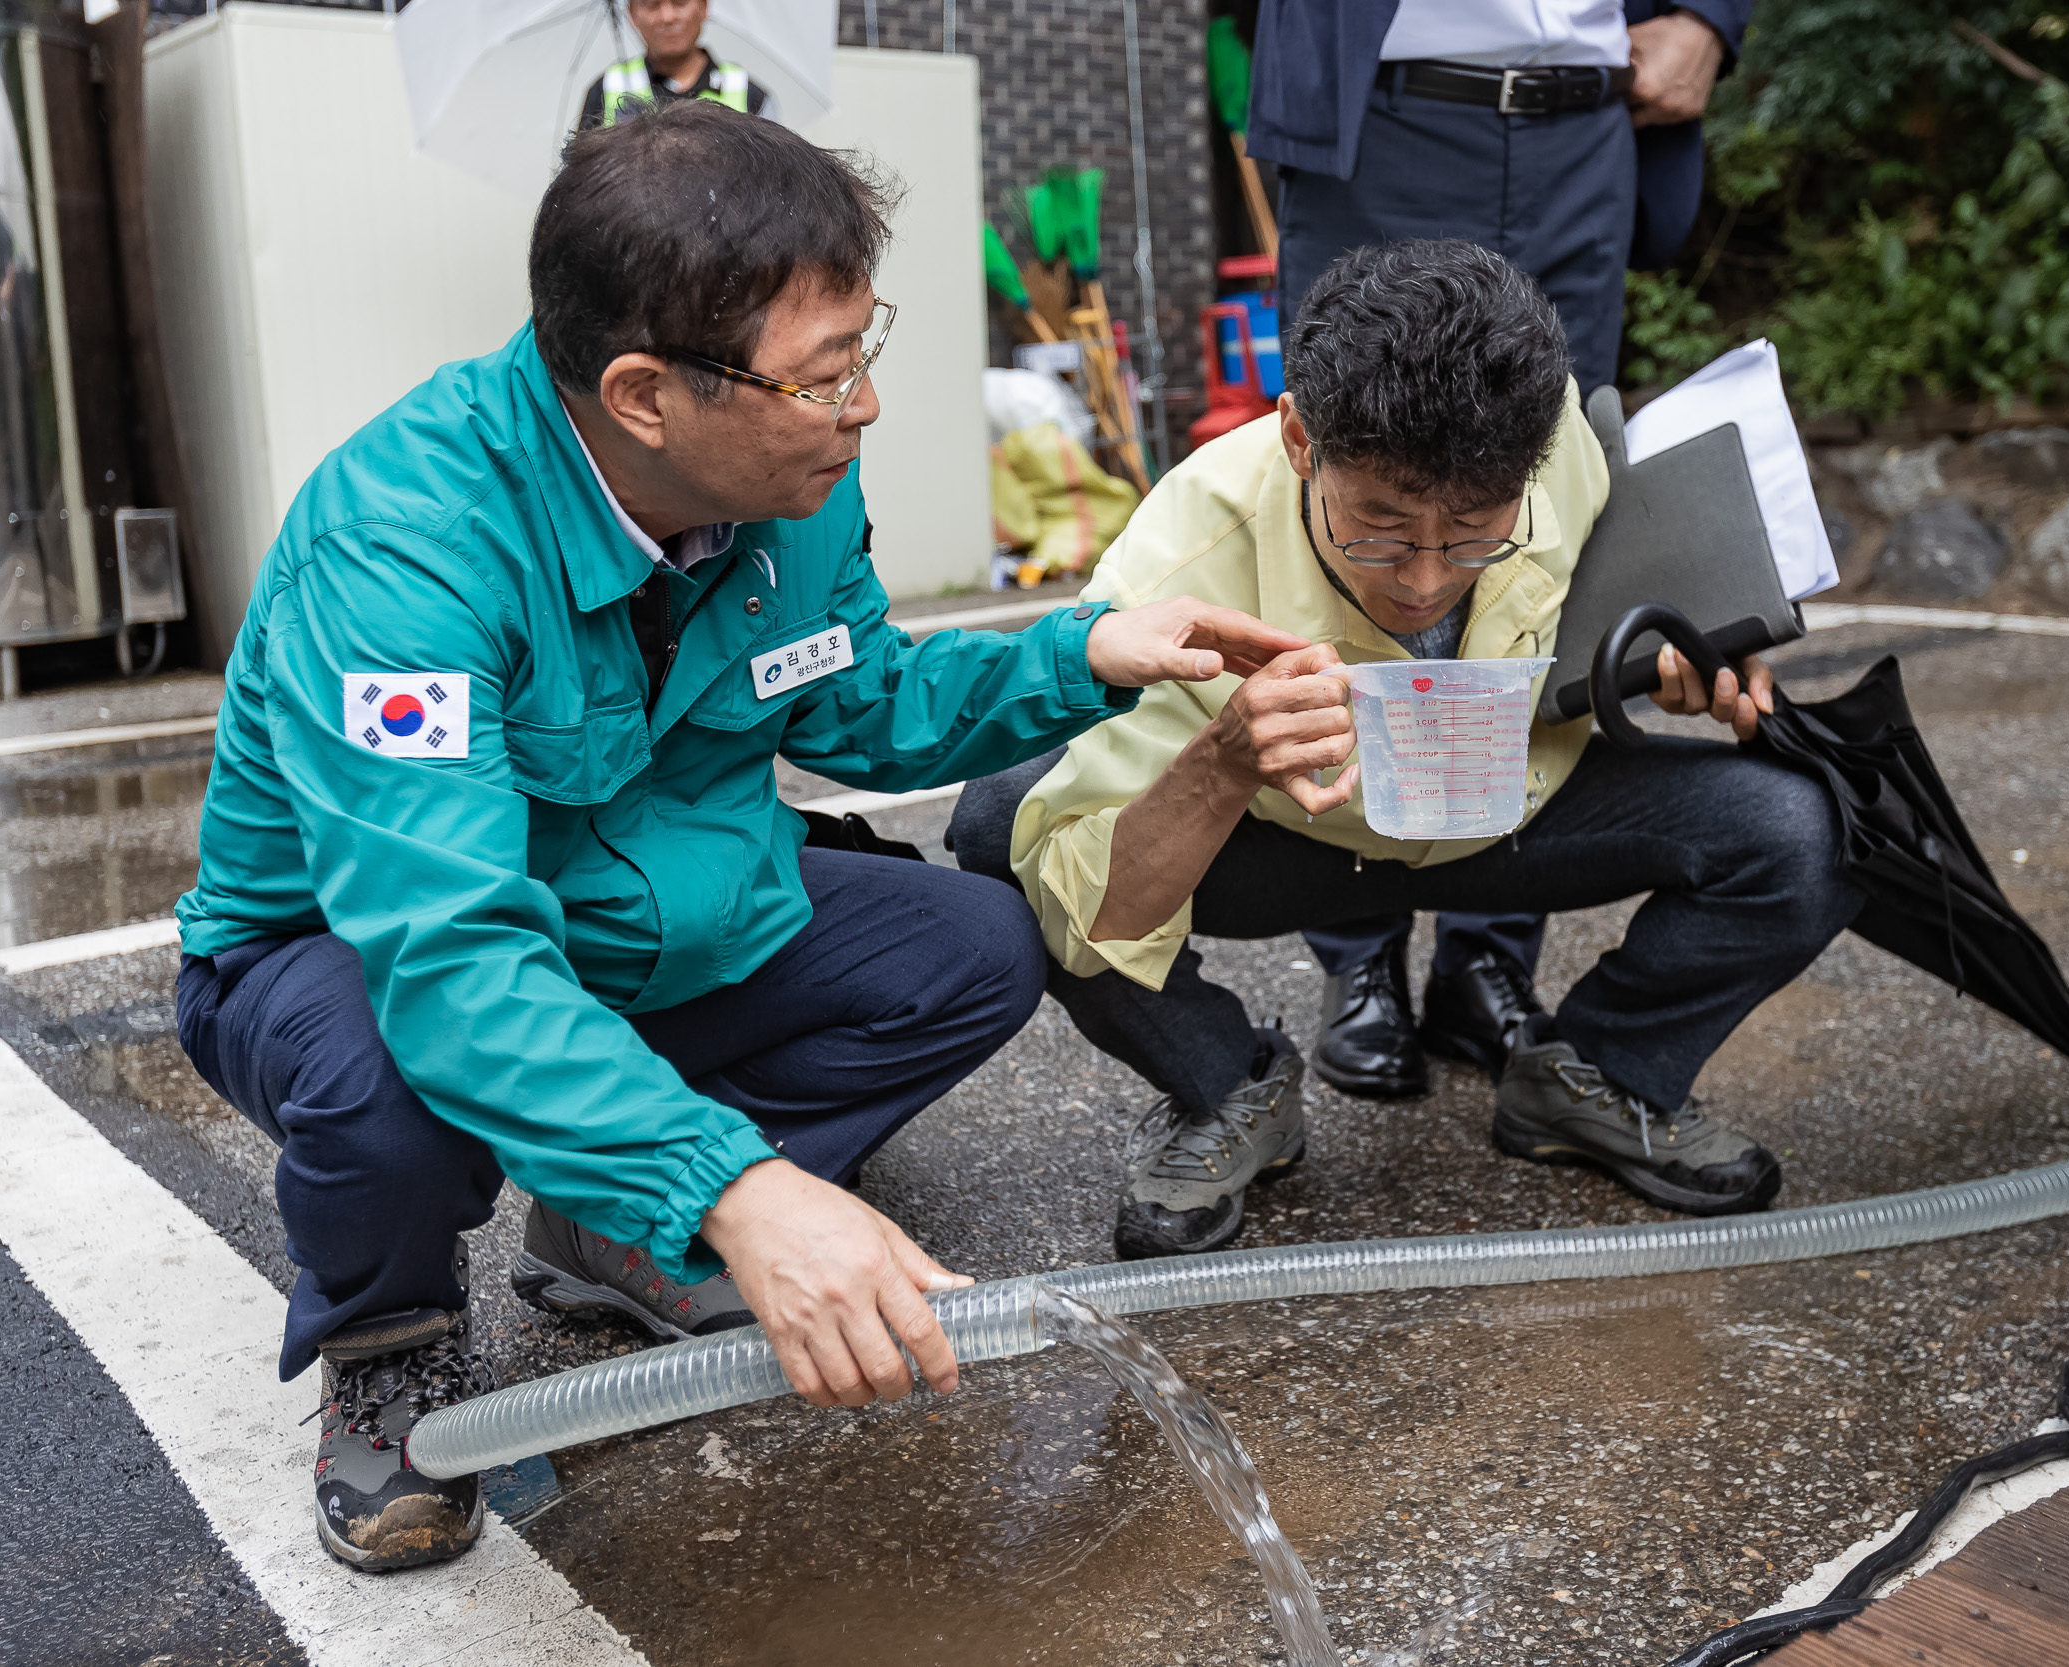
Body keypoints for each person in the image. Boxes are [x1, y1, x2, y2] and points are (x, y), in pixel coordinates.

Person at [171, 103, 1296, 1574]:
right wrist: (743, 1184)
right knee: (393, 1059)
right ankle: (395, 1334)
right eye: (827, 376)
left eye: (863, 352)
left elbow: (862, 705)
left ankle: (615, 1228)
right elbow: (447, 949)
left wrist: (1085, 654)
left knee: (970, 948)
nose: (865, 407)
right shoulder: (402, 551)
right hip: (344, 942)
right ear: (645, 393)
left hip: (625, 902)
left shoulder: (786, 477)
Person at [951, 240, 1862, 1260]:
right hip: (1289, 836)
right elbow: (1093, 912)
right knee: (1006, 821)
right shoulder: (1173, 567)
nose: (1426, 579)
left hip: (1515, 801)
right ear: (1299, 437)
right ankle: (1226, 1085)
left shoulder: (1552, 432)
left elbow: (1638, 565)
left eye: (1474, 534)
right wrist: (1225, 761)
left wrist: (1699, 646)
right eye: (1379, 527)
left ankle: (1598, 1073)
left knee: (1811, 822)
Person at [1245, 0, 1752, 1102]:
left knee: (1545, 520)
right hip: (1378, 115)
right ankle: (1359, 945)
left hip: (1587, 123)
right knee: (1364, 514)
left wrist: (1711, 18)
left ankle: (1488, 952)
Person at [578, 0, 774, 130]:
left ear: (703, 7)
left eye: (680, 2)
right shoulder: (607, 89)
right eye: (652, 5)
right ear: (632, 14)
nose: (667, 17)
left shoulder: (749, 94)